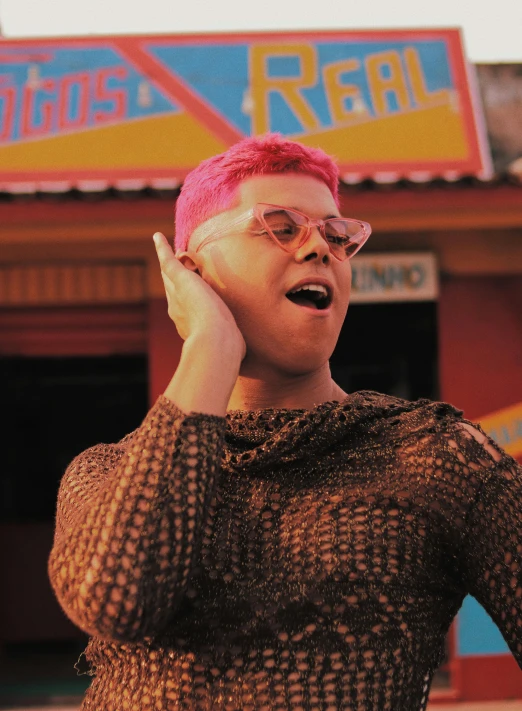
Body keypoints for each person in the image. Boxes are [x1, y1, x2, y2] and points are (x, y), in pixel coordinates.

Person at [48, 134, 522, 711]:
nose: (320, 247)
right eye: (281, 225)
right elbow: (117, 599)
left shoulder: (436, 457)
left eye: (336, 234)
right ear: (191, 276)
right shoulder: (108, 473)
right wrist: (210, 345)